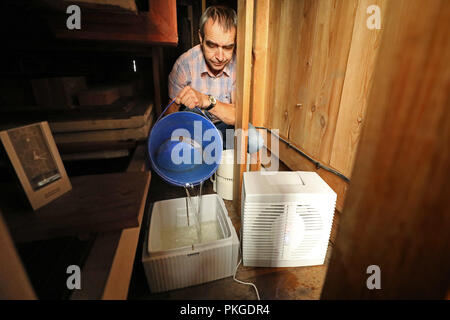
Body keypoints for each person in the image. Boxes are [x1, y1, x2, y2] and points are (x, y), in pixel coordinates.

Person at [167, 5, 263, 153]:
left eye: (227, 47)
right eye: (212, 45)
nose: (219, 56)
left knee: (254, 141)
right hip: (195, 127)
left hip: (225, 126)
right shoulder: (184, 65)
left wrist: (207, 100)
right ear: (201, 38)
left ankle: (216, 152)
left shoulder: (239, 65)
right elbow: (171, 114)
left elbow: (238, 116)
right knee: (196, 131)